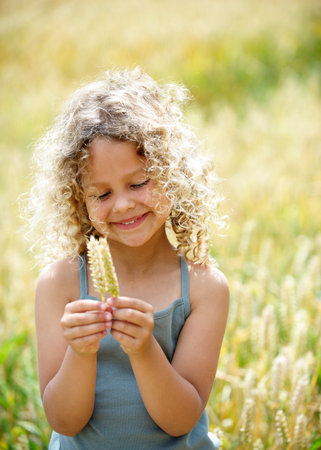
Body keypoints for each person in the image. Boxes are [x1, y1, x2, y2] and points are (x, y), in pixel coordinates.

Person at [27, 68, 229, 449]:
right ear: (78, 201)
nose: (122, 204)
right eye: (101, 194)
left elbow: (180, 420)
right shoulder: (60, 284)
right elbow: (64, 421)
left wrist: (143, 349)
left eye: (138, 183)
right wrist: (80, 353)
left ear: (173, 175)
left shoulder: (204, 288)